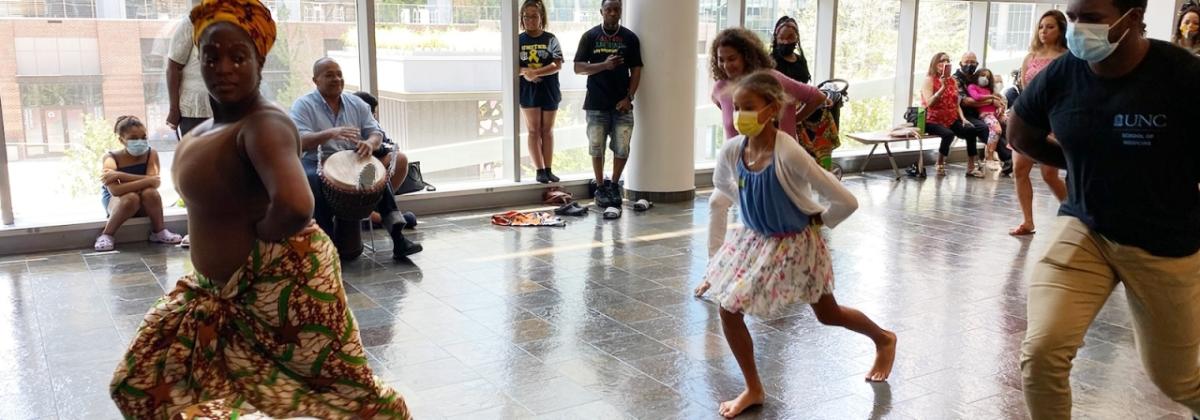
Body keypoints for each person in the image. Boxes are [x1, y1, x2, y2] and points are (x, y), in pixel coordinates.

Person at [110, 1, 410, 417]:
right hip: (215, 293)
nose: (223, 67)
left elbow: (294, 204)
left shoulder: (262, 124)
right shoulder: (205, 130)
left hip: (279, 287)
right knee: (144, 383)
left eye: (238, 57)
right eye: (211, 57)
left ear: (260, 61)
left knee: (347, 392)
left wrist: (257, 255)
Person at [1010, 0, 1200, 416]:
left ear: (1131, 19)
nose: (1076, 29)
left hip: (1163, 243)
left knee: (1178, 379)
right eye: (1072, 17)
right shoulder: (1064, 73)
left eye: (1090, 19)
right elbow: (1019, 132)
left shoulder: (1183, 75)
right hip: (1087, 227)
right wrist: (1079, 165)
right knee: (1041, 355)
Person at [694, 71, 896, 419]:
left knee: (828, 315)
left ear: (772, 109)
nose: (741, 114)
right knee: (728, 308)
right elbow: (721, 183)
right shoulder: (733, 149)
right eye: (737, 107)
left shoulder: (789, 153)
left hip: (796, 245)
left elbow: (845, 200)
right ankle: (754, 387)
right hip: (755, 240)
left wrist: (817, 220)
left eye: (749, 107)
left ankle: (883, 338)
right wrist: (748, 208)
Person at [290, 57, 422, 260]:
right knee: (313, 180)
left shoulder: (356, 103)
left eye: (339, 74)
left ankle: (398, 237)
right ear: (315, 80)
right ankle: (326, 244)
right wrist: (330, 133)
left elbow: (376, 132)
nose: (336, 79)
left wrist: (370, 143)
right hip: (316, 159)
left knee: (375, 174)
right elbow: (300, 140)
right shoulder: (304, 105)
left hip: (352, 158)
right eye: (329, 75)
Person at [574, 0, 642, 214]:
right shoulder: (590, 37)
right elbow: (578, 67)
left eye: (617, 10)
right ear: (601, 12)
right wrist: (604, 65)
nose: (613, 13)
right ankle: (600, 187)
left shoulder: (630, 38)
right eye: (609, 10)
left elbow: (637, 70)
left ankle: (614, 184)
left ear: (621, 12)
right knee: (597, 147)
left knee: (622, 146)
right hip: (596, 104)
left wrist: (629, 97)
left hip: (622, 105)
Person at [1010, 9, 1070, 236]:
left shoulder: (1066, 57)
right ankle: (1027, 221)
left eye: (1050, 27)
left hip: (1054, 119)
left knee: (1049, 174)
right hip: (1029, 119)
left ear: (1061, 30)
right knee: (1019, 169)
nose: (1044, 31)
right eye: (1041, 26)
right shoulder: (1030, 57)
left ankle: (1073, 213)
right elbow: (1025, 89)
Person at [710, 28, 826, 142]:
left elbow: (817, 96)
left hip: (780, 156)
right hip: (737, 159)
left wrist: (795, 119)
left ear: (746, 56)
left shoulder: (771, 79)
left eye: (732, 59)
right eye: (721, 60)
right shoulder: (720, 88)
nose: (726, 65)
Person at [95, 116, 184, 251]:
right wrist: (147, 180)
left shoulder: (151, 154)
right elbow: (115, 191)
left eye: (143, 137)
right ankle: (106, 235)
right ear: (121, 140)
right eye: (133, 138)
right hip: (119, 203)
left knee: (150, 193)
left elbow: (154, 184)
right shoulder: (110, 158)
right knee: (131, 197)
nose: (140, 141)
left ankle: (159, 232)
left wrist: (121, 175)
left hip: (143, 202)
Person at [351, 91, 419, 229]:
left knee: (399, 159)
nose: (374, 116)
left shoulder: (373, 125)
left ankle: (378, 211)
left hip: (372, 168)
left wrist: (384, 148)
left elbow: (387, 144)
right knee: (372, 168)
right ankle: (377, 216)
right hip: (354, 170)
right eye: (372, 113)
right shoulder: (351, 125)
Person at [519, 0, 564, 184]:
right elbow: (513, 66)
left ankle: (548, 169)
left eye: (534, 16)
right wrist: (526, 73)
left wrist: (535, 72)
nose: (530, 20)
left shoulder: (551, 39)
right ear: (522, 18)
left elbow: (557, 64)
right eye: (526, 16)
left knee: (547, 130)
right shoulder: (518, 40)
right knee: (533, 130)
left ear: (541, 17)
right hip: (528, 90)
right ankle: (539, 170)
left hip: (549, 88)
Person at [921, 52, 983, 177]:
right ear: (935, 63)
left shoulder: (952, 81)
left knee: (971, 130)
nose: (945, 63)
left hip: (950, 118)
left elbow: (956, 103)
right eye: (942, 61)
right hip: (932, 119)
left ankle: (971, 167)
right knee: (948, 134)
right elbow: (929, 103)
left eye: (948, 61)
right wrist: (942, 88)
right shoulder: (929, 80)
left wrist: (963, 119)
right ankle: (939, 162)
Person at [954, 52, 1009, 174]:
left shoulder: (975, 77)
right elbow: (965, 102)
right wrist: (991, 100)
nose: (970, 65)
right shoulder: (956, 79)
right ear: (960, 63)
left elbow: (992, 93)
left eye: (973, 62)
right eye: (966, 62)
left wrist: (999, 103)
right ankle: (1007, 157)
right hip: (962, 115)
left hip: (978, 113)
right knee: (986, 128)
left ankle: (1010, 156)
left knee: (1005, 124)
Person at [965, 68, 1006, 167]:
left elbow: (1000, 103)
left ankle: (1006, 156)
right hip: (985, 114)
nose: (985, 78)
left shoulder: (988, 90)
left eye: (987, 77)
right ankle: (990, 157)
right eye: (983, 75)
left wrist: (1000, 107)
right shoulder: (972, 87)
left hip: (995, 114)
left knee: (1009, 125)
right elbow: (977, 97)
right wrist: (992, 97)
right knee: (996, 130)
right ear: (977, 75)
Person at [771, 16, 811, 85]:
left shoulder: (801, 60)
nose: (786, 42)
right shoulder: (770, 62)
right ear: (776, 39)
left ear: (797, 37)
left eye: (790, 37)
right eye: (782, 37)